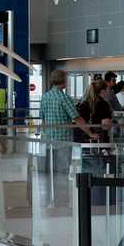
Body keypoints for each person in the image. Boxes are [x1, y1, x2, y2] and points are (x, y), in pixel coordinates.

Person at [38, 69, 79, 204]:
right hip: (63, 140)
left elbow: (42, 119)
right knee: (62, 172)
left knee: (51, 172)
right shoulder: (64, 98)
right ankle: (62, 200)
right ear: (63, 81)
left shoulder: (45, 96)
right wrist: (90, 132)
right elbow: (76, 118)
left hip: (49, 140)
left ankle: (51, 199)